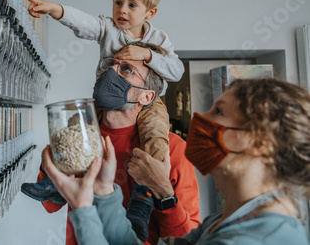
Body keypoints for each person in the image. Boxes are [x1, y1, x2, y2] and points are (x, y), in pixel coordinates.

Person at [44, 78, 310, 245]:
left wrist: (83, 209)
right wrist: (103, 191)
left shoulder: (256, 239)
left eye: (218, 111)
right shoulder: (226, 220)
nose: (198, 116)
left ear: (261, 144)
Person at [21, 0, 185, 240]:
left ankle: (143, 201)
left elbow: (176, 70)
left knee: (155, 138)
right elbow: (83, 22)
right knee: (76, 130)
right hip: (104, 100)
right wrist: (54, 9)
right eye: (117, 2)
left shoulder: (159, 39)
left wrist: (147, 54)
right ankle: (53, 182)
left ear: (150, 13)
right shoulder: (108, 28)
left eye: (132, 5)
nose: (122, 10)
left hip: (152, 105)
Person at [32, 48, 201, 245]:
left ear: (146, 97)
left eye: (126, 69)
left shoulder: (173, 149)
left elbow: (186, 238)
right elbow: (50, 204)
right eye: (110, 65)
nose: (111, 71)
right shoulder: (80, 136)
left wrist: (164, 193)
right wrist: (51, 163)